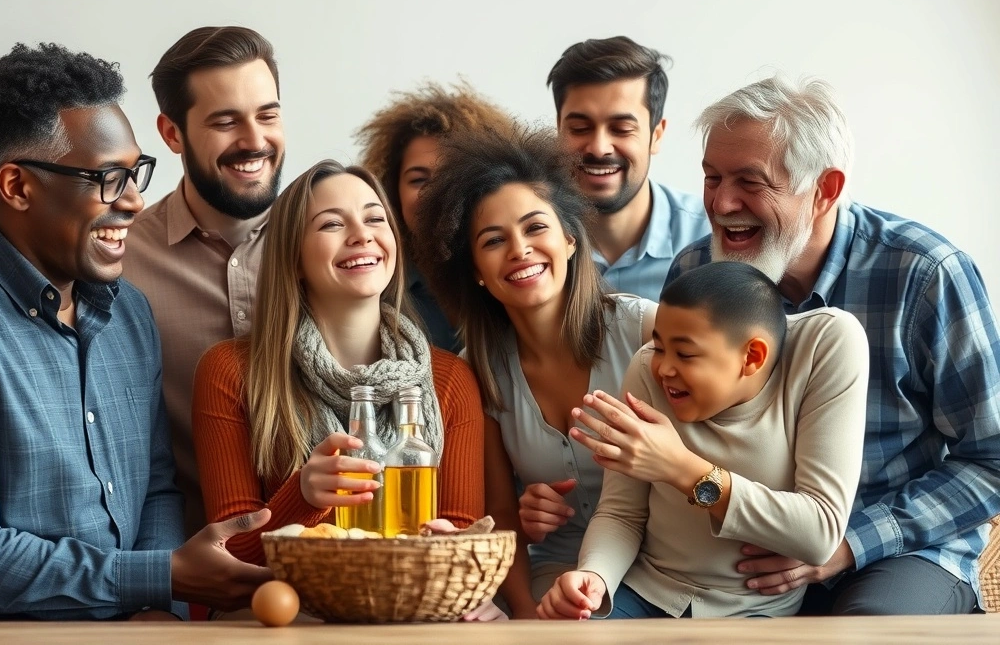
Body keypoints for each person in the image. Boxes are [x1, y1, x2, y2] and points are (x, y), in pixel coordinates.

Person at [0, 43, 270, 621]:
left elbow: (156, 489)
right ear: (17, 186)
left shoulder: (127, 312)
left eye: (135, 173)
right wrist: (156, 576)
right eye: (108, 178)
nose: (135, 201)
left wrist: (153, 606)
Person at [668, 76, 1000, 615]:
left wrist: (847, 544)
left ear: (825, 189)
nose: (722, 202)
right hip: (744, 549)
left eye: (750, 182)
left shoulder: (926, 274)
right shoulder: (695, 272)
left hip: (895, 551)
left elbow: (992, 457)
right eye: (712, 177)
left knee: (867, 633)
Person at [191, 160, 486, 569]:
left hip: (414, 600)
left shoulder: (451, 380)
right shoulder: (230, 372)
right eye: (332, 224)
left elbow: (465, 543)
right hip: (284, 605)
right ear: (294, 258)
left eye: (375, 219)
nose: (362, 235)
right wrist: (303, 497)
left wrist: (451, 546)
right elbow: (226, 556)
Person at [411, 127, 656, 618]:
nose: (519, 249)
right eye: (493, 240)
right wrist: (527, 616)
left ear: (569, 239)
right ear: (477, 271)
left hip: (661, 567)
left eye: (535, 227)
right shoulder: (476, 371)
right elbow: (500, 515)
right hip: (553, 572)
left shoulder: (644, 329)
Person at [536, 261, 869, 619]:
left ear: (752, 357)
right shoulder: (647, 369)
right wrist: (594, 576)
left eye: (685, 354)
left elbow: (819, 534)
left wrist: (681, 468)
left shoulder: (825, 345)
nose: (664, 368)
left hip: (755, 612)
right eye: (659, 346)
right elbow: (621, 513)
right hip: (644, 591)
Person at [122, 26, 285, 536]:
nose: (255, 141)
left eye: (268, 115)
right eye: (226, 121)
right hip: (183, 562)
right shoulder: (118, 262)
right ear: (172, 134)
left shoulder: (333, 248)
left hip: (336, 554)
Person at [356, 80, 519, 351]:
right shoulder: (374, 285)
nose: (434, 194)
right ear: (392, 192)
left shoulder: (521, 265)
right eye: (419, 180)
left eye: (451, 176)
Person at [547, 36, 708, 301]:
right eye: (579, 128)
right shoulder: (530, 245)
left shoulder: (711, 238)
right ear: (559, 129)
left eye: (621, 129)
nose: (599, 148)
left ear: (656, 135)